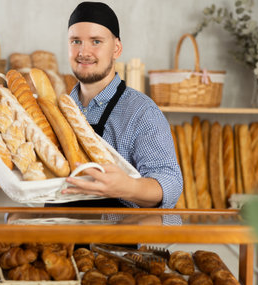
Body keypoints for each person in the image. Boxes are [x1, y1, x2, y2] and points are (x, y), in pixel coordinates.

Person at [9, 1, 183, 225]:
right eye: (76, 41)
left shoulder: (141, 112)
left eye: (96, 41)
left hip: (112, 248)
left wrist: (127, 187)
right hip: (59, 246)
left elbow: (169, 184)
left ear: (116, 49)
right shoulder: (56, 109)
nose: (84, 52)